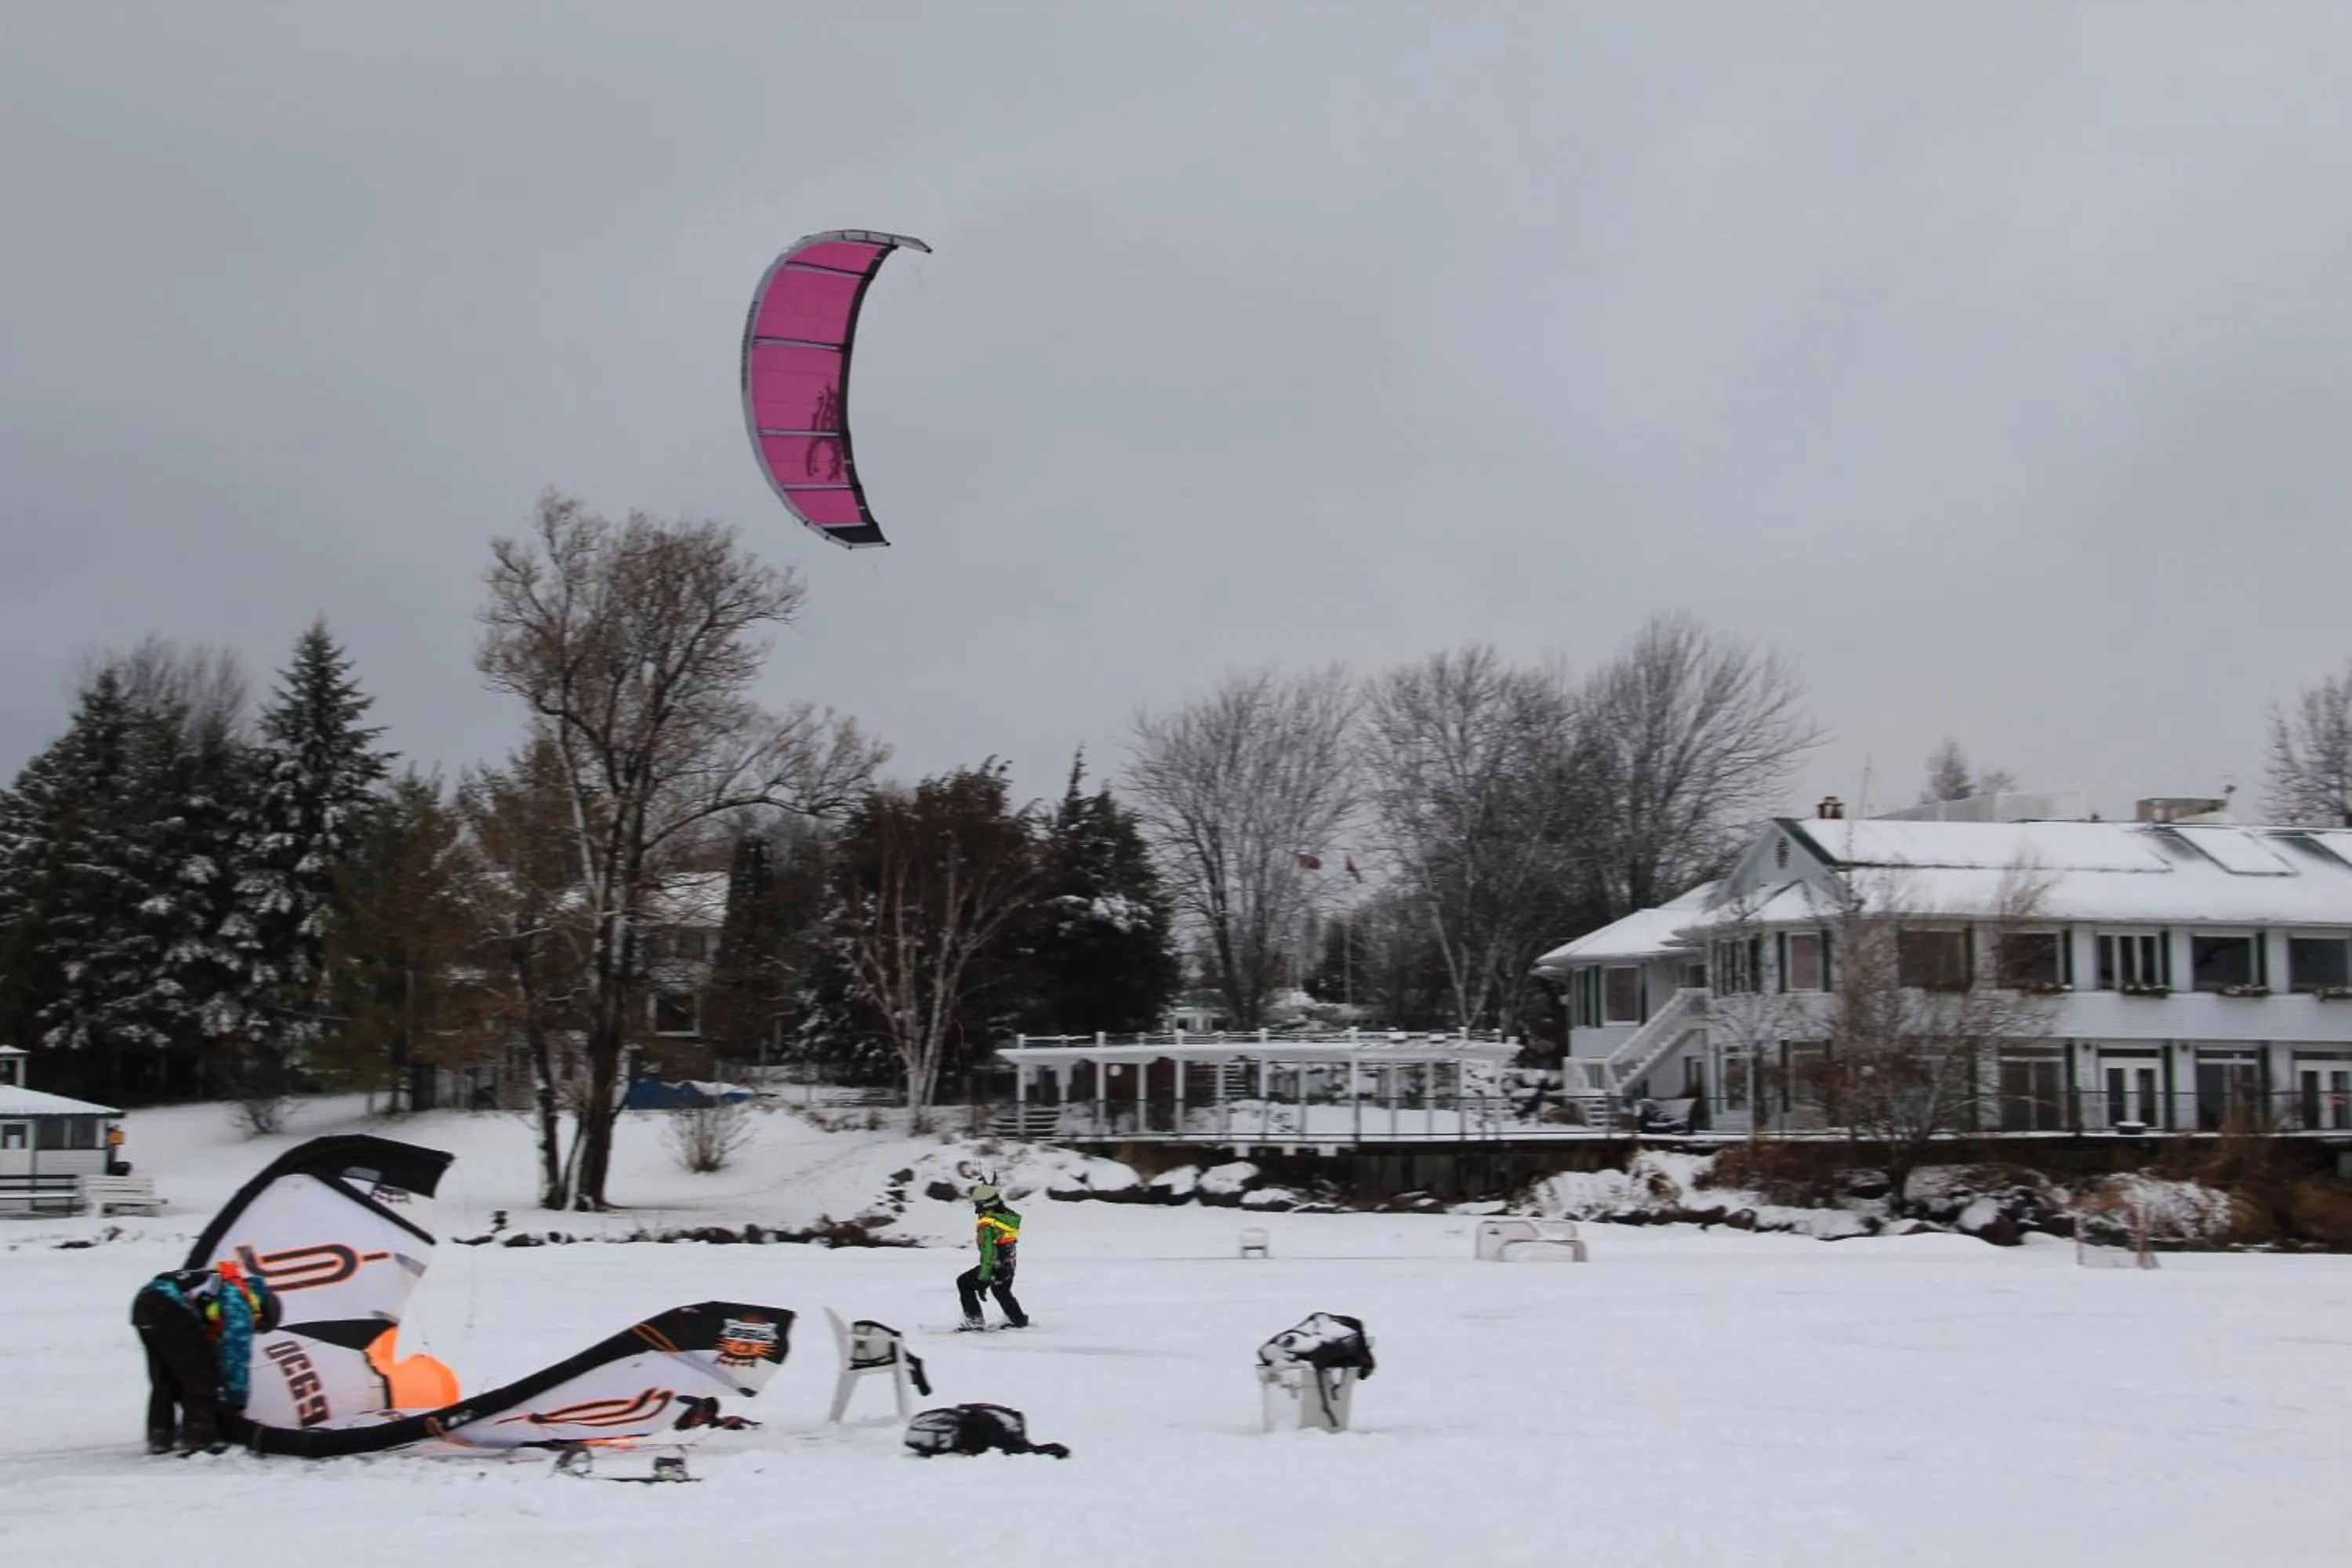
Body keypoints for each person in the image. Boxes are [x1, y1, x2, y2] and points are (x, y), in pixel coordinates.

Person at [129, 1259, 279, 1454]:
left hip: (145, 1303)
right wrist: (236, 1404)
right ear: (262, 1311)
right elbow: (236, 1357)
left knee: (166, 1379)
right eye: (259, 1326)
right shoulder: (240, 1299)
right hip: (170, 1306)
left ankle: (160, 1437)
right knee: (202, 1378)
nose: (255, 1329)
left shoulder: (221, 1284)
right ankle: (200, 1440)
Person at [955, 1183, 1028, 1330]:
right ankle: (1017, 1319)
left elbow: (989, 1253)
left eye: (978, 1203)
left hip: (996, 1265)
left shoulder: (987, 1225)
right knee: (1001, 1290)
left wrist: (983, 1278)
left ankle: (974, 1321)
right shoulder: (1005, 1217)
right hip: (1008, 1263)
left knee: (964, 1282)